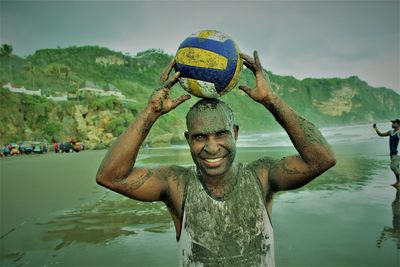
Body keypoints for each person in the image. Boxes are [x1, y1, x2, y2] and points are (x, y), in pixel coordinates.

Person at [96, 51, 336, 267]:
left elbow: (321, 159)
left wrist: (270, 100)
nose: (212, 147)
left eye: (221, 134)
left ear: (235, 134)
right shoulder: (176, 184)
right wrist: (150, 112)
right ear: (189, 140)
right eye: (200, 137)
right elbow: (110, 177)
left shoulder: (261, 176)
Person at [373, 119, 400, 188]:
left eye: (394, 123)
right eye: (392, 123)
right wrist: (376, 128)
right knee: (396, 167)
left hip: (397, 153)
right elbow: (380, 134)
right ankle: (398, 182)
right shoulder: (391, 132)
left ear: (398, 124)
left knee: (393, 167)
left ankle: (399, 182)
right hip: (392, 153)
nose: (392, 124)